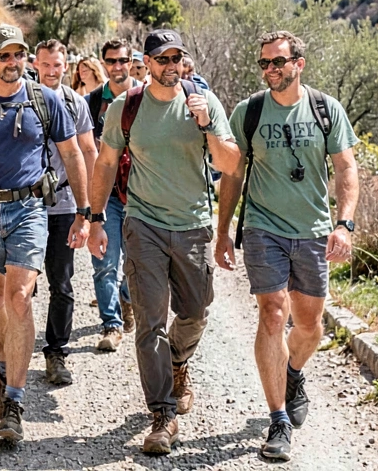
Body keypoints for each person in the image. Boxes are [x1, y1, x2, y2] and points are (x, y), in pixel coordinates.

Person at [88, 29, 240, 456]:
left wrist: (207, 125)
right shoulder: (127, 107)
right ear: (147, 63)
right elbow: (104, 163)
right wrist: (95, 219)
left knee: (195, 310)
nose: (170, 65)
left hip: (192, 226)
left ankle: (177, 363)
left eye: (177, 57)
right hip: (144, 226)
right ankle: (162, 414)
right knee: (150, 323)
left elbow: (230, 163)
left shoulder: (203, 103)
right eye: (162, 58)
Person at [215, 30, 359, 462]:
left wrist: (344, 224)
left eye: (278, 61)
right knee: (274, 312)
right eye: (264, 63)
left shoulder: (325, 109)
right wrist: (224, 231)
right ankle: (278, 419)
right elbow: (233, 175)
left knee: (310, 323)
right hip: (263, 228)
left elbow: (347, 169)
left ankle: (293, 372)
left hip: (313, 230)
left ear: (299, 63)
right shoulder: (250, 112)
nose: (270, 70)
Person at [0, 25, 93, 443]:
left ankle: (13, 399)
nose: (13, 63)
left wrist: (84, 213)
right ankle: (7, 364)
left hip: (30, 208)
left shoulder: (45, 100)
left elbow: (72, 154)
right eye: (4, 55)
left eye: (18, 55)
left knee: (19, 296)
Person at [32, 40, 98, 387]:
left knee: (61, 281)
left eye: (57, 65)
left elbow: (88, 151)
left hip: (62, 205)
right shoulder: (23, 98)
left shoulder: (76, 104)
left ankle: (56, 352)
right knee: (22, 284)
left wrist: (87, 210)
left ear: (65, 65)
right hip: (25, 205)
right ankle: (12, 352)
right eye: (46, 65)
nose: (52, 71)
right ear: (36, 64)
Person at [82, 40, 140, 350]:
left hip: (142, 195)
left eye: (123, 60)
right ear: (103, 63)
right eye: (111, 61)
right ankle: (111, 324)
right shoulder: (93, 103)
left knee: (135, 264)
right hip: (107, 195)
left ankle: (127, 300)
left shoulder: (147, 97)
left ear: (131, 62)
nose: (117, 66)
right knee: (105, 261)